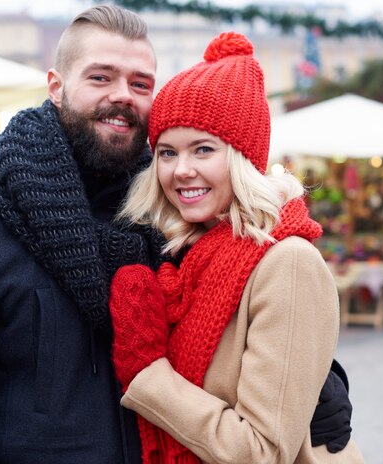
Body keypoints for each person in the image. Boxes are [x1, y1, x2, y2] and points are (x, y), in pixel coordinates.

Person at [0, 5, 352, 463]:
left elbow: (238, 321)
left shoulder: (168, 225)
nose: (124, 96)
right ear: (56, 87)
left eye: (140, 84)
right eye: (101, 77)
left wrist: (318, 379)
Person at [108, 32, 364, 463]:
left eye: (203, 149)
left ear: (244, 159)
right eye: (167, 153)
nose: (182, 170)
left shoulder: (288, 263)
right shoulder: (187, 255)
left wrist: (149, 375)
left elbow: (260, 451)